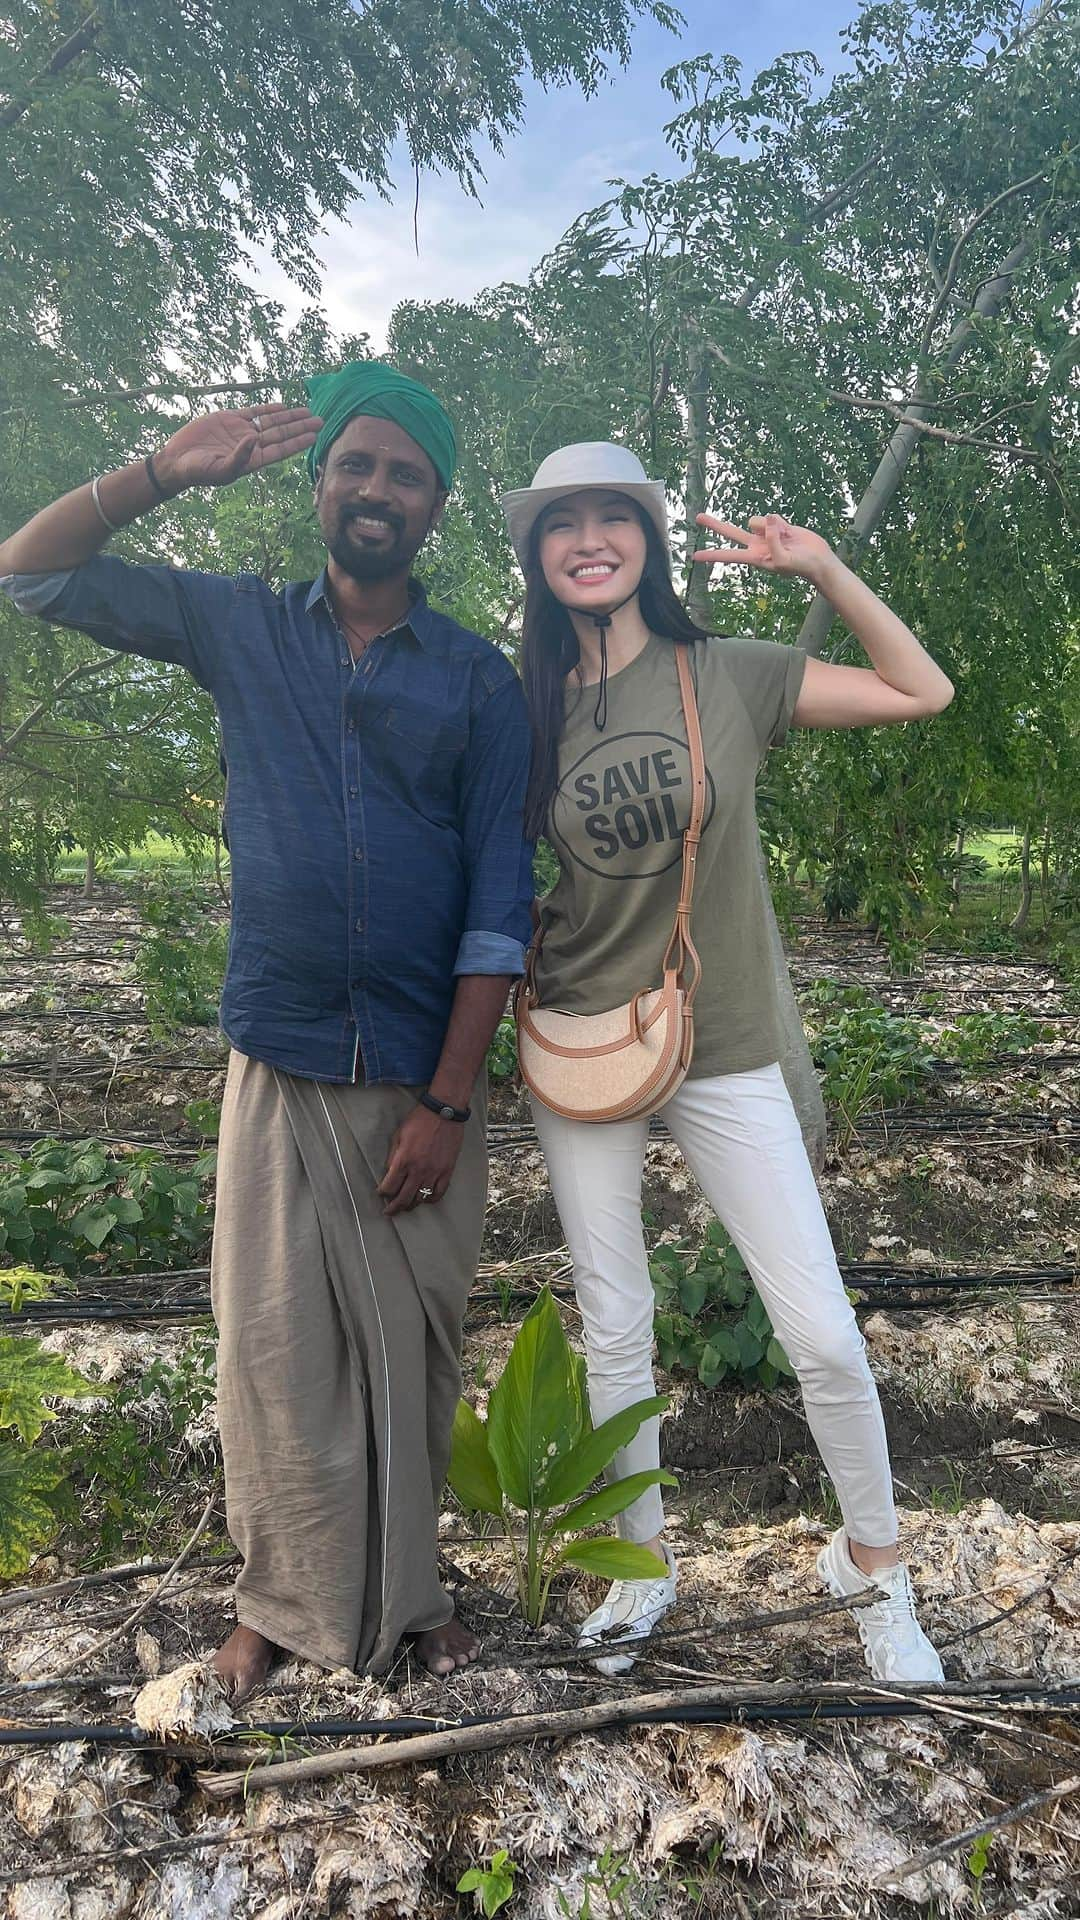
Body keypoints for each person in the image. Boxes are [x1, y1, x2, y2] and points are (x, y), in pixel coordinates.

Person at [0, 362, 534, 1701]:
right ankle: (279, 1605)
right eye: (356, 465)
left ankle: (408, 1603)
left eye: (404, 474)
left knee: (409, 1353)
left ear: (436, 508)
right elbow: (32, 573)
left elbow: (497, 902)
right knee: (276, 1353)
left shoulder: (478, 680)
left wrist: (452, 1099)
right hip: (279, 1056)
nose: (376, 489)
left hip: (421, 1074)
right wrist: (164, 473)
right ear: (318, 486)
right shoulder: (237, 624)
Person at [500, 442, 954, 1683]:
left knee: (824, 1335)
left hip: (727, 1038)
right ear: (538, 556)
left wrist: (822, 564)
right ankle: (637, 1572)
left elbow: (922, 693)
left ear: (646, 537)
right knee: (614, 1328)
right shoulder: (521, 701)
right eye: (561, 525)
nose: (589, 540)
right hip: (583, 1038)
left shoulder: (728, 676)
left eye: (613, 517)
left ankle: (871, 1569)